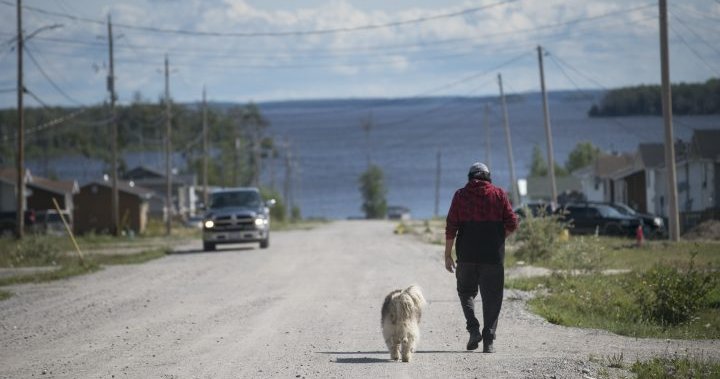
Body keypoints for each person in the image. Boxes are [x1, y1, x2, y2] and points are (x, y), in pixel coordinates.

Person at [444, 162, 518, 353]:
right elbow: (512, 222)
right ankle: (489, 341)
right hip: (493, 257)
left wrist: (447, 254)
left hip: (466, 255)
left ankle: (474, 329)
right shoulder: (499, 194)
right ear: (488, 176)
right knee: (492, 298)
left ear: (470, 177)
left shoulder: (460, 196)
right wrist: (498, 237)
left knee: (465, 292)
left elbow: (451, 226)